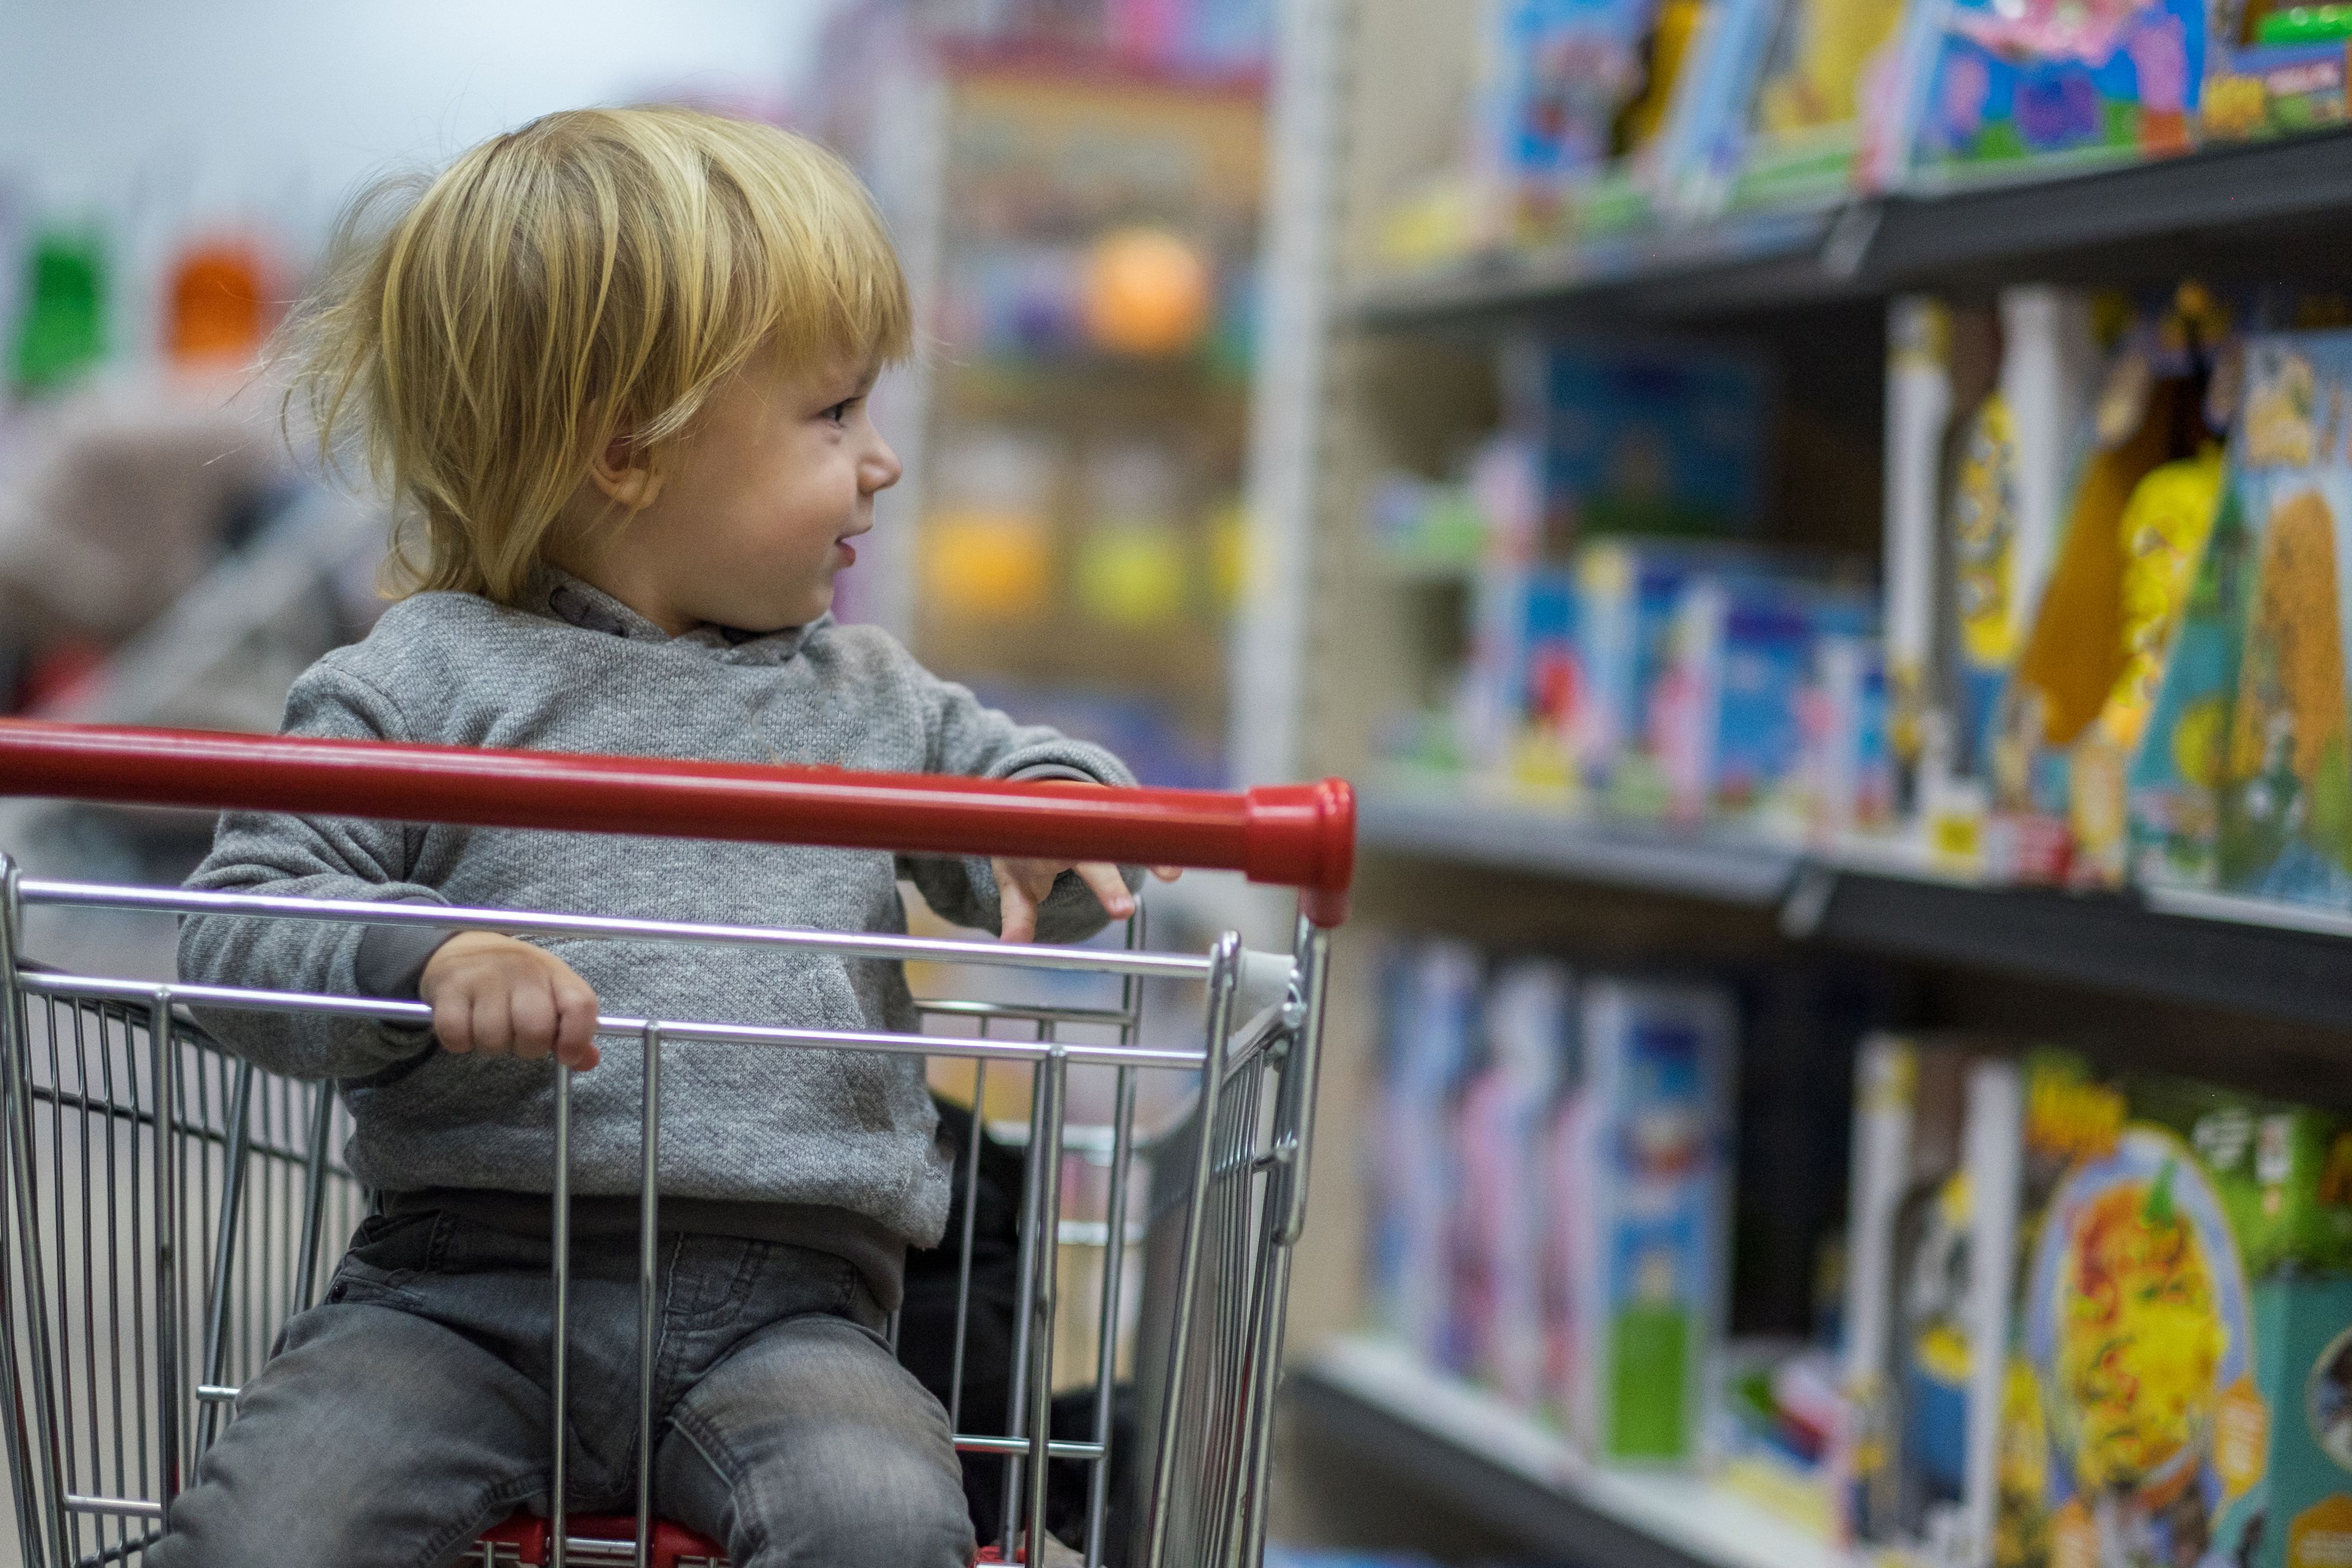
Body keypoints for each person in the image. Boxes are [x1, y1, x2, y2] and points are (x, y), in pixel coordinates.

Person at [160, 106, 1162, 1568]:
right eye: (832, 416)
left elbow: (1034, 810)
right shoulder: (422, 678)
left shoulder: (866, 695)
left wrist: (1059, 818)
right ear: (628, 447)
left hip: (795, 1310)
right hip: (452, 1291)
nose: (878, 462)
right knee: (267, 1534)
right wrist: (424, 954)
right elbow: (240, 926)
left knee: (884, 1524)